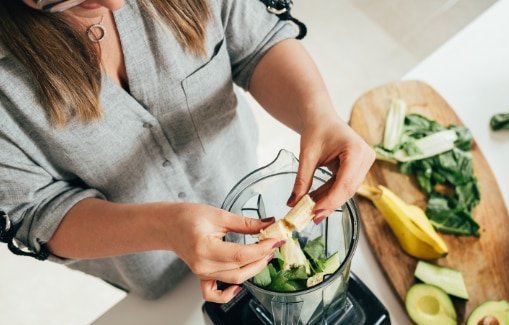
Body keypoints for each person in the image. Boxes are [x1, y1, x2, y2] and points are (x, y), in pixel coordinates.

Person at [0, 0, 375, 303]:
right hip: (146, 266)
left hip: (234, 175)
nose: (115, 5)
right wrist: (165, 227)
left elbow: (258, 43)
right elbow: (37, 213)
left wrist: (318, 113)